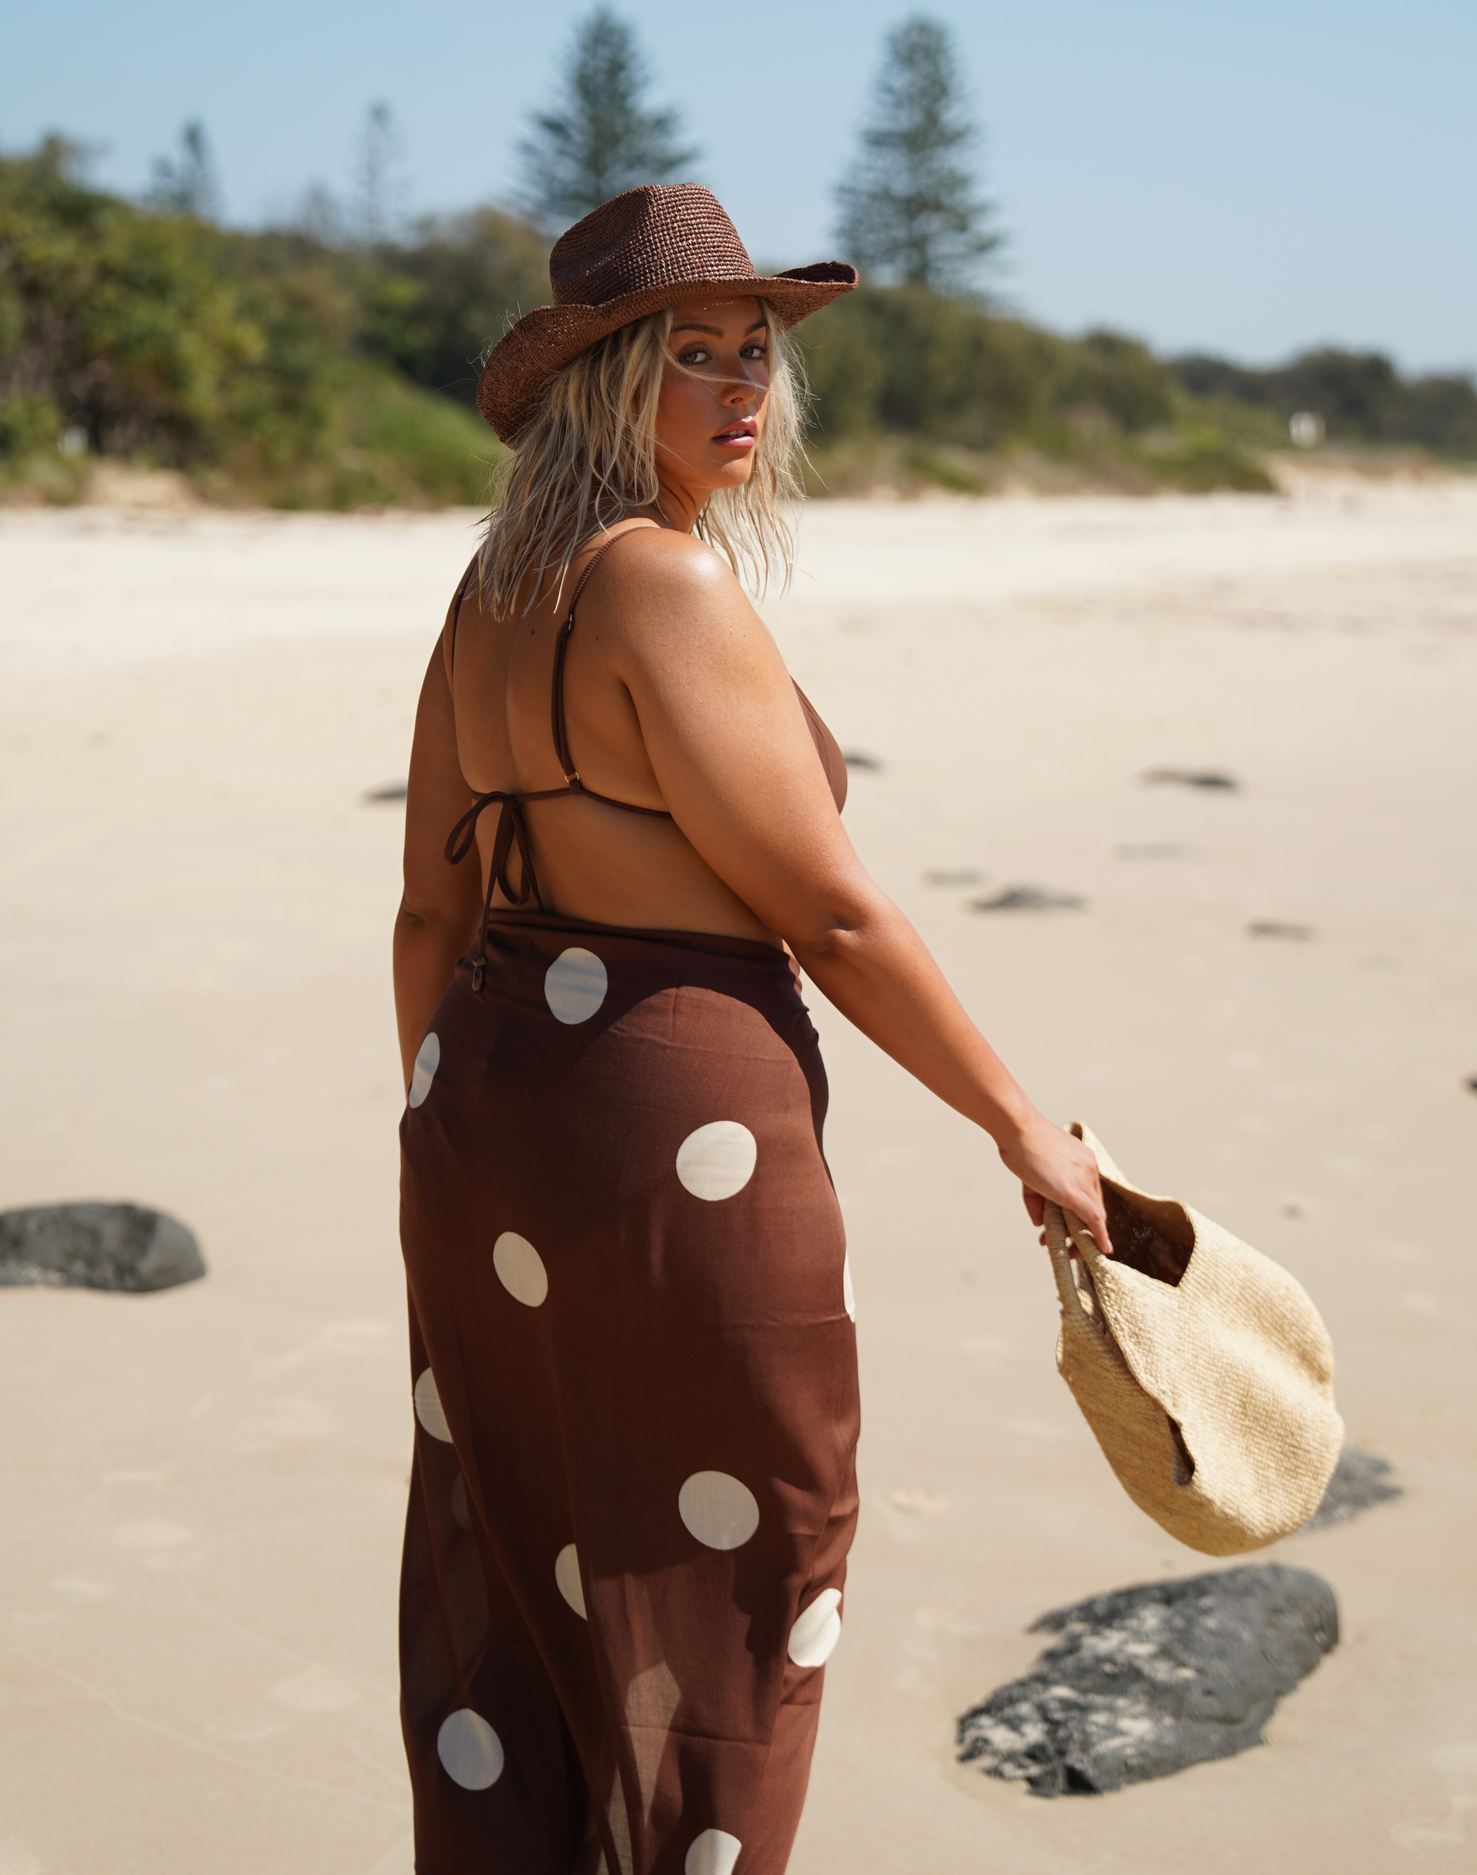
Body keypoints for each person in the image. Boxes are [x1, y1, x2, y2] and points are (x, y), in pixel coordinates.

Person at [392, 184, 1110, 1875]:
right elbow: (833, 910)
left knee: (527, 1540)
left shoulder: (493, 591)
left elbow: (432, 906)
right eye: (690, 355)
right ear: (599, 384)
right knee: (743, 1557)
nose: (740, 390)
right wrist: (1023, 1123)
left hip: (487, 1099)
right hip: (673, 1121)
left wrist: (437, 1121)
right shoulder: (661, 589)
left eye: (755, 356)